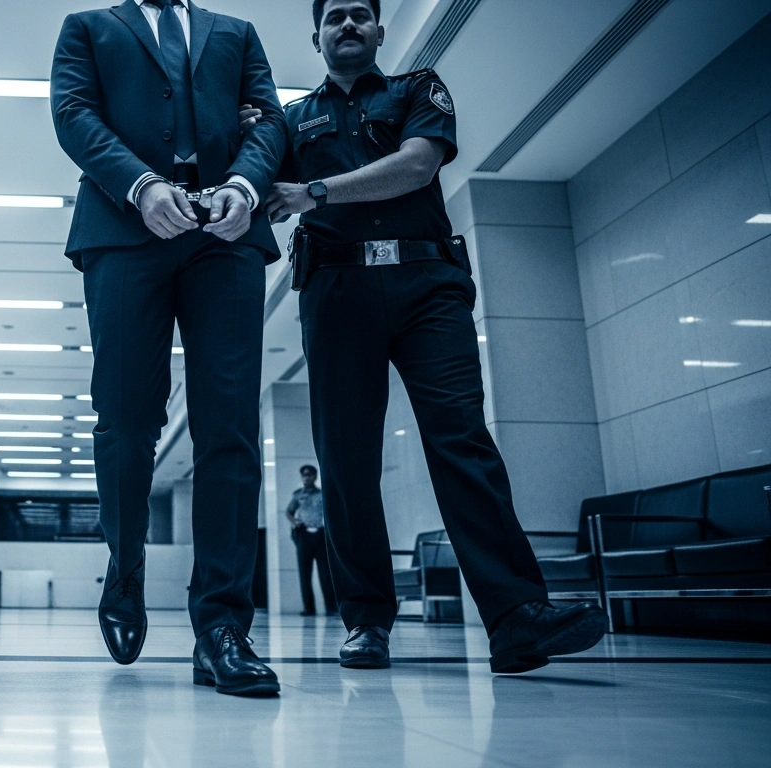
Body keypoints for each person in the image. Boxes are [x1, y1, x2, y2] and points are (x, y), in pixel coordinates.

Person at [240, 0, 605, 673]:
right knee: (346, 461)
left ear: (379, 30)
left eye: (360, 15)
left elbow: (416, 165)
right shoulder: (292, 120)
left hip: (426, 286)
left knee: (460, 438)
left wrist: (313, 191)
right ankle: (367, 623)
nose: (347, 26)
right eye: (333, 18)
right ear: (315, 37)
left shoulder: (418, 89)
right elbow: (256, 176)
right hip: (337, 292)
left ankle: (516, 618)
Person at [51, 0, 287, 695]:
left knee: (230, 427)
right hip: (124, 228)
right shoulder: (88, 27)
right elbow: (73, 114)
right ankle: (125, 569)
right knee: (126, 418)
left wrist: (246, 185)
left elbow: (269, 117)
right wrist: (141, 183)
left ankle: (221, 630)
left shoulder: (237, 34)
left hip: (226, 234)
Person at [285, 464, 337, 616]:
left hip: (320, 535)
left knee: (325, 574)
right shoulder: (298, 495)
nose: (307, 477)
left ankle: (331, 607)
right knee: (304, 574)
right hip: (304, 536)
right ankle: (309, 608)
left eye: (310, 474)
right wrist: (295, 523)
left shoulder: (322, 494)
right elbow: (289, 512)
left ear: (315, 476)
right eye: (304, 475)